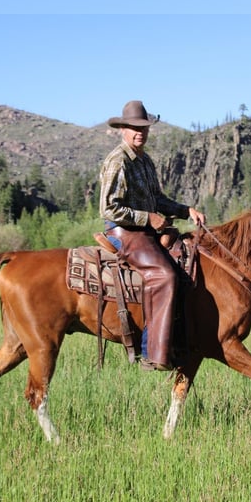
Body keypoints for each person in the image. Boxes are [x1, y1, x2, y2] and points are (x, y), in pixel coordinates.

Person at [99, 100, 206, 371]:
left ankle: (181, 337)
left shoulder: (145, 161)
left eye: (144, 128)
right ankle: (153, 354)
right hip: (123, 232)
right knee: (164, 275)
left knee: (187, 261)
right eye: (134, 128)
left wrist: (186, 211)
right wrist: (148, 218)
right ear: (122, 129)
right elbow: (108, 208)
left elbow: (157, 199)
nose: (140, 132)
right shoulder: (118, 161)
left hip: (144, 230)